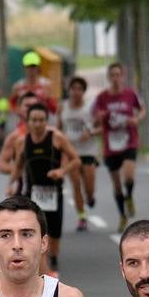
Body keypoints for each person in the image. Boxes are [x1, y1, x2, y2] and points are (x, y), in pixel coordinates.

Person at [12, 103, 81, 276]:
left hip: (53, 193)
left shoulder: (56, 138)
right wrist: (11, 183)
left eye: (41, 120)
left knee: (54, 232)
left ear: (46, 121)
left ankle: (53, 259)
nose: (37, 124)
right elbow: (18, 166)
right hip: (32, 195)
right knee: (35, 230)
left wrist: (61, 171)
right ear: (27, 121)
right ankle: (42, 268)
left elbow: (76, 160)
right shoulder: (22, 141)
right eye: (34, 120)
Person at [91, 62, 146, 233]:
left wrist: (136, 119)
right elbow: (94, 119)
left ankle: (129, 196)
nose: (115, 78)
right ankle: (122, 215)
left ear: (123, 76)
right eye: (112, 75)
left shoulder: (130, 94)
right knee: (116, 185)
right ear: (108, 77)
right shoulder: (102, 98)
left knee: (128, 175)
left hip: (129, 140)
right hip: (110, 145)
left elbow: (142, 109)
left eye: (118, 75)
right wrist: (99, 117)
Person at [58, 76, 99, 232]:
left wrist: (90, 132)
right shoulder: (63, 107)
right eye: (73, 89)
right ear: (69, 91)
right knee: (75, 184)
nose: (76, 92)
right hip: (70, 151)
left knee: (88, 187)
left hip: (88, 151)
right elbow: (59, 128)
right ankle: (82, 217)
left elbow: (101, 128)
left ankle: (90, 197)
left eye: (79, 89)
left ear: (83, 92)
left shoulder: (90, 108)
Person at [9, 51, 57, 120]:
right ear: (24, 68)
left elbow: (54, 109)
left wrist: (48, 99)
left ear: (38, 67)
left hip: (40, 123)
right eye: (28, 67)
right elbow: (11, 105)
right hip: (23, 122)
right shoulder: (18, 87)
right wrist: (19, 111)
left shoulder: (46, 85)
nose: (31, 70)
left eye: (33, 66)